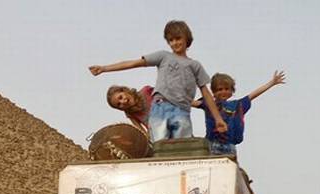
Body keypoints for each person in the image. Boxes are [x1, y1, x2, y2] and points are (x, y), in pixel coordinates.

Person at [89, 20, 226, 141]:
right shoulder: (163, 56)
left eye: (178, 38)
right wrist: (104, 68)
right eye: (171, 40)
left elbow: (206, 93)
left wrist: (218, 119)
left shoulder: (195, 66)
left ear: (186, 38)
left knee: (182, 147)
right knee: (160, 146)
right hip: (161, 107)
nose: (175, 43)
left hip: (181, 110)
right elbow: (133, 63)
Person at [193, 70, 286, 156]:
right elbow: (190, 102)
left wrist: (271, 83)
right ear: (213, 92)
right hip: (213, 144)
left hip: (230, 145)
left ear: (231, 91)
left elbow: (253, 94)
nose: (223, 92)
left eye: (226, 89)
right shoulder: (210, 104)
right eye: (220, 89)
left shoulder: (237, 105)